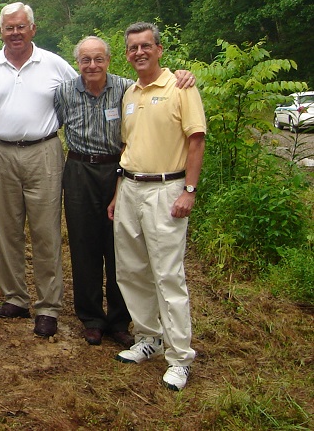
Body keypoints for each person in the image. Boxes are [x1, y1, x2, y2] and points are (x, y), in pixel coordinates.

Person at [54, 37, 195, 348]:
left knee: (121, 247)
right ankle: (91, 318)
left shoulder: (126, 88)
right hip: (78, 170)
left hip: (118, 171)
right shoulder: (64, 91)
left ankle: (120, 320)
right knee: (82, 244)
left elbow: (156, 87)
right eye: (85, 60)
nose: (92, 66)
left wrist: (183, 74)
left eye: (98, 59)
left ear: (109, 60)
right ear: (77, 62)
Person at [0, 2, 76, 338]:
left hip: (44, 151)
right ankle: (15, 298)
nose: (15, 33)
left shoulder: (54, 65)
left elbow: (85, 95)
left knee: (46, 231)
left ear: (33, 29)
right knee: (4, 229)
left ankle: (48, 307)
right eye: (9, 27)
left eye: (21, 26)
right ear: (1, 31)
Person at [107, 22, 206, 392]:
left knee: (167, 274)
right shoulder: (129, 93)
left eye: (146, 46)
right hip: (131, 188)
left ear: (159, 50)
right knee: (131, 270)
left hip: (167, 189)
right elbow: (127, 149)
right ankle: (148, 337)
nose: (139, 53)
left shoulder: (181, 87)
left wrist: (189, 191)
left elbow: (195, 141)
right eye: (132, 48)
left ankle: (180, 357)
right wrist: (118, 192)